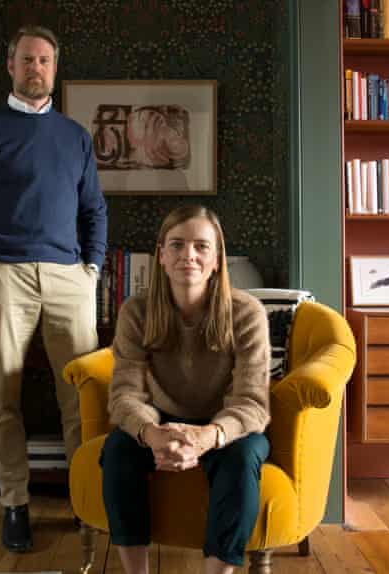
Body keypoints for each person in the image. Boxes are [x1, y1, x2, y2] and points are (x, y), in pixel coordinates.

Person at [0, 25, 107, 553]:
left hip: (70, 279)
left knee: (80, 396)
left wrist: (92, 270)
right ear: (10, 67)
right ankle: (14, 505)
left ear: (54, 70)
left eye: (45, 61)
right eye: (27, 60)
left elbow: (93, 210)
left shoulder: (75, 136)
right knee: (2, 398)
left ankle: (87, 502)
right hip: (0, 275)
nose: (36, 68)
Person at [101, 205, 270, 574]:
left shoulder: (247, 312)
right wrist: (151, 434)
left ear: (216, 258)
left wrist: (210, 435)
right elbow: (126, 394)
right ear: (161, 255)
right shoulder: (136, 311)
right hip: (161, 422)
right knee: (117, 450)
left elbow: (252, 401)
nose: (188, 256)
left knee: (243, 460)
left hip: (228, 427)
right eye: (176, 245)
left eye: (200, 246)